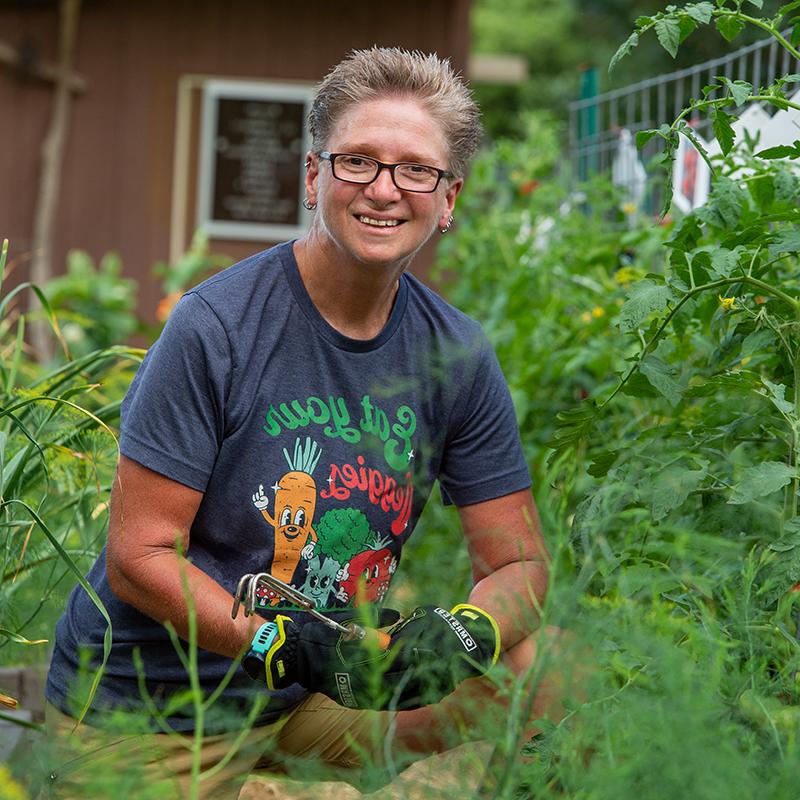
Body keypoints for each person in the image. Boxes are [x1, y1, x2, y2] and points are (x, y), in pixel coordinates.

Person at [43, 47, 552, 799]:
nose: (385, 188)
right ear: (315, 177)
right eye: (358, 162)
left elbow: (521, 567)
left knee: (552, 669)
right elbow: (138, 555)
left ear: (448, 201)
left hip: (315, 692)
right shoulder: (217, 327)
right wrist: (279, 639)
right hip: (158, 705)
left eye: (415, 169)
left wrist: (461, 633)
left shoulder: (457, 355)